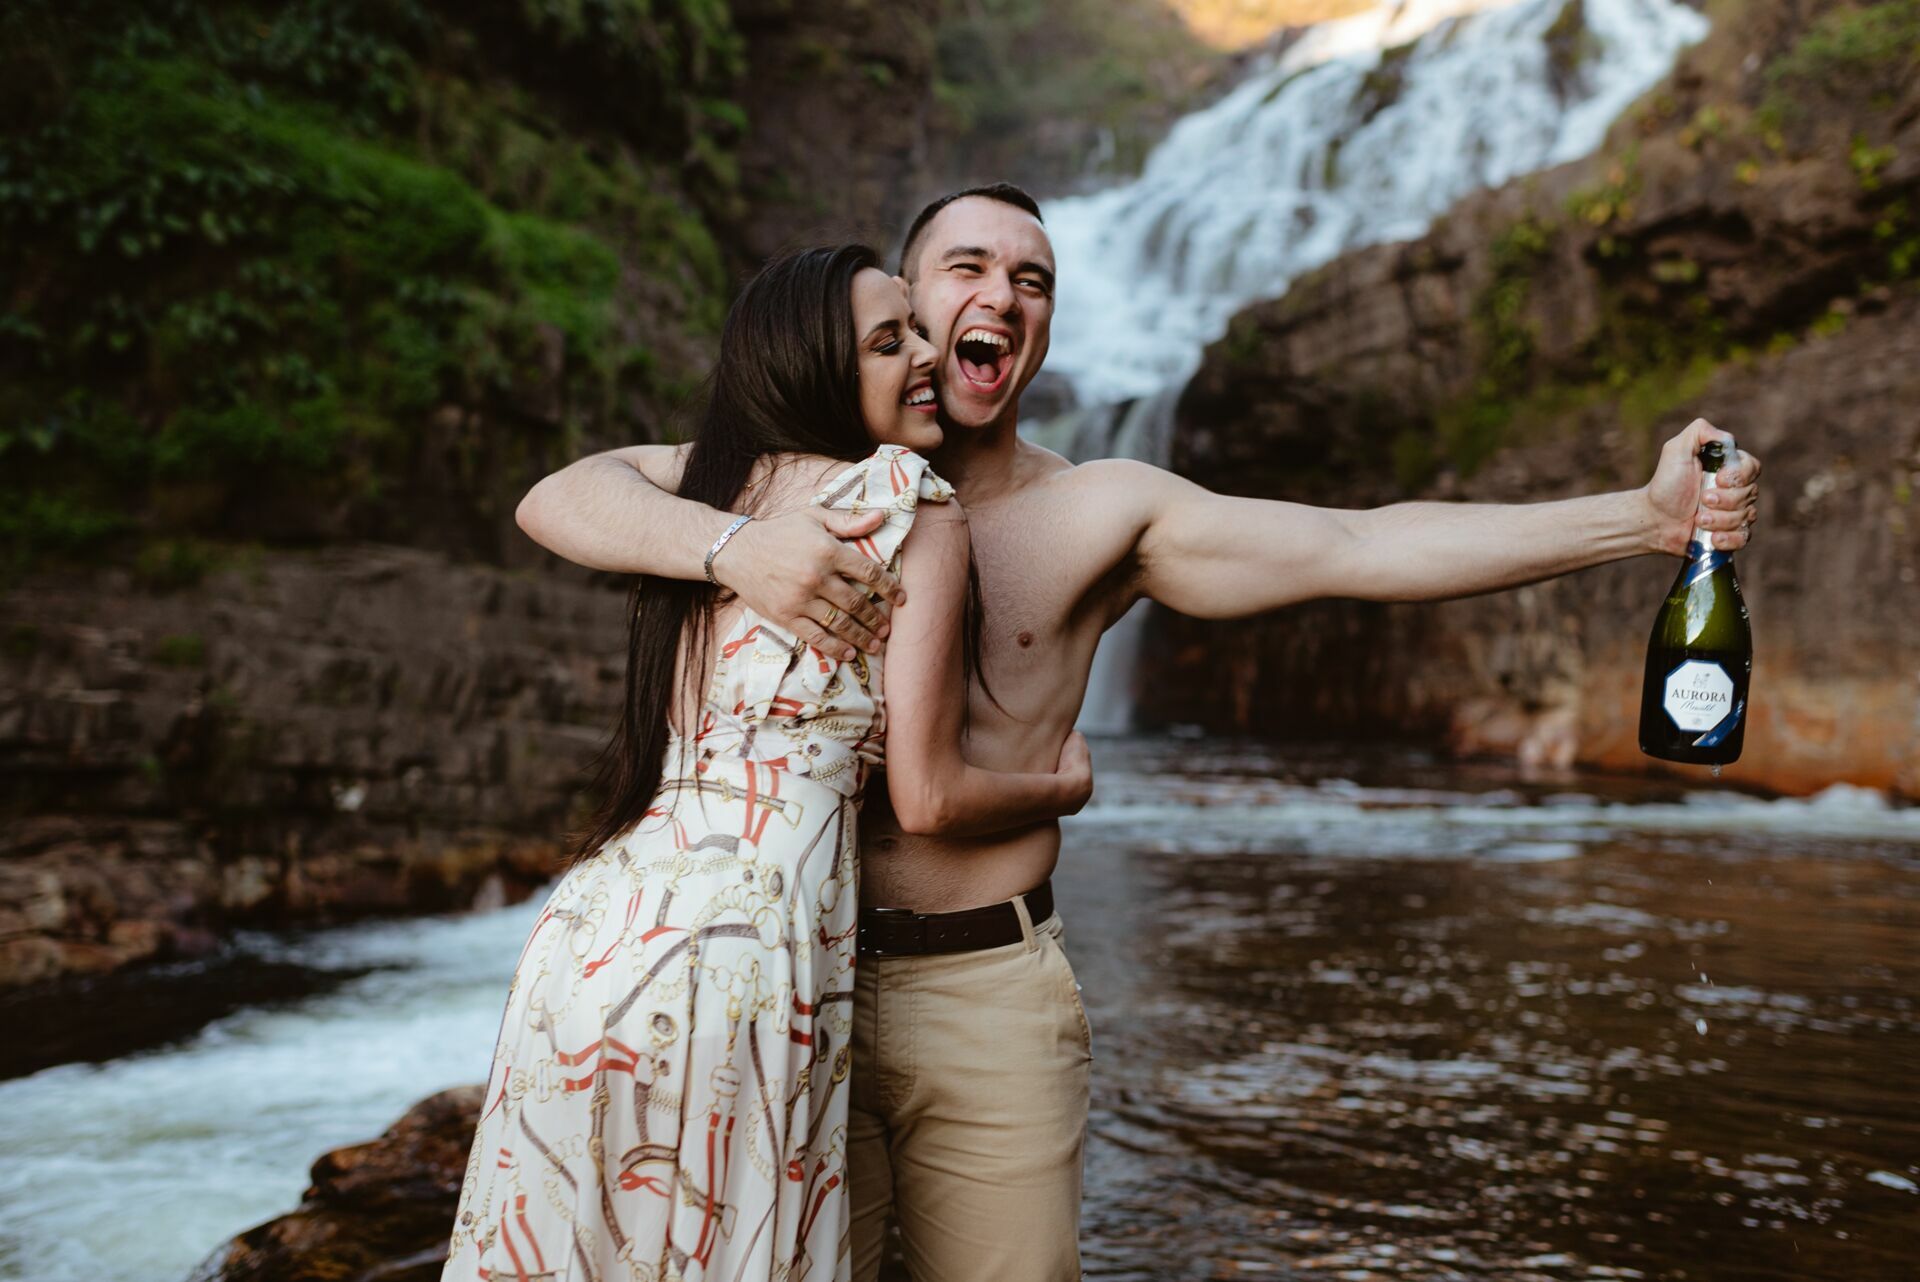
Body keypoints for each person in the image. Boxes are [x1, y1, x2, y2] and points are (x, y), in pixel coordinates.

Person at [513, 183, 1766, 1281]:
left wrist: (1642, 523)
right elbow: (571, 494)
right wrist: (743, 551)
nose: (1001, 293)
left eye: (1033, 279)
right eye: (967, 268)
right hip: (792, 984)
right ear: (897, 311)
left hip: (982, 989)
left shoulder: (1102, 508)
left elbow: (1361, 542)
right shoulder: (775, 480)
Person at [442, 243, 1093, 1282]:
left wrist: (727, 540)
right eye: (892, 340)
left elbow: (548, 499)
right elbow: (927, 796)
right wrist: (1063, 784)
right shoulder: (907, 501)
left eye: (915, 331)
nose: (924, 354)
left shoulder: (708, 484)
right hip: (749, 949)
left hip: (592, 940)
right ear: (815, 370)